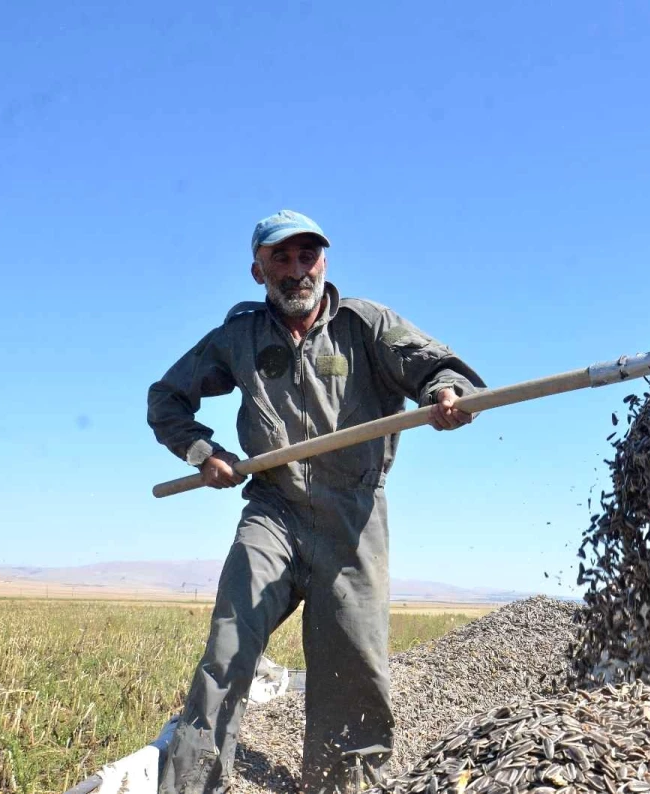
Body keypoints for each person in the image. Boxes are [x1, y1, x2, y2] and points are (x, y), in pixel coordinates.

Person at [148, 210, 485, 794]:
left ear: (324, 263)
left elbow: (444, 370)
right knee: (229, 647)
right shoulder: (239, 337)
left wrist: (446, 395)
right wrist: (203, 453)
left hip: (352, 518)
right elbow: (166, 400)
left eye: (308, 256)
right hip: (273, 510)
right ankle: (191, 786)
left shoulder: (365, 324)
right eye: (281, 258)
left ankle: (339, 786)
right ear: (258, 271)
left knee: (352, 668)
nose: (296, 270)